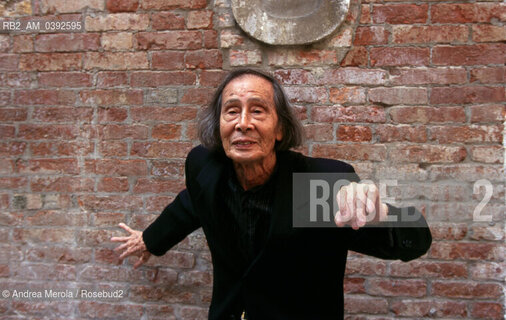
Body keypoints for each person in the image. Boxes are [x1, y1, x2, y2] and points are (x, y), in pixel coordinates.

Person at [111, 68, 432, 320]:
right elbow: (190, 204)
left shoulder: (323, 185)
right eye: (231, 111)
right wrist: (150, 239)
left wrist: (381, 214)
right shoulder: (203, 167)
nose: (243, 123)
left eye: (259, 111)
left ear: (280, 128)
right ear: (219, 124)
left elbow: (415, 240)